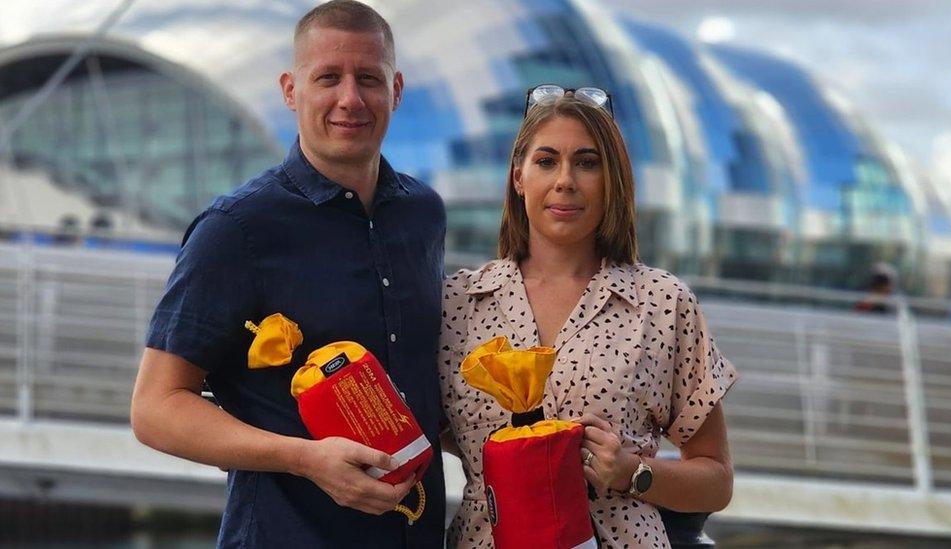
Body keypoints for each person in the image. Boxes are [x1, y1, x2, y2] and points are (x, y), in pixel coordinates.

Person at [130, 1, 446, 546]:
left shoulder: (423, 214)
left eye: (368, 78)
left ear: (395, 89)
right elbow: (155, 408)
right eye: (328, 78)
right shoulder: (236, 229)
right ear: (290, 90)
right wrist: (304, 459)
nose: (350, 98)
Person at [438, 87, 738, 548]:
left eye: (587, 162)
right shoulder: (459, 302)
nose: (565, 181)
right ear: (518, 177)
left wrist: (631, 473)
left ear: (612, 180)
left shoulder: (662, 303)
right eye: (546, 161)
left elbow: (717, 480)